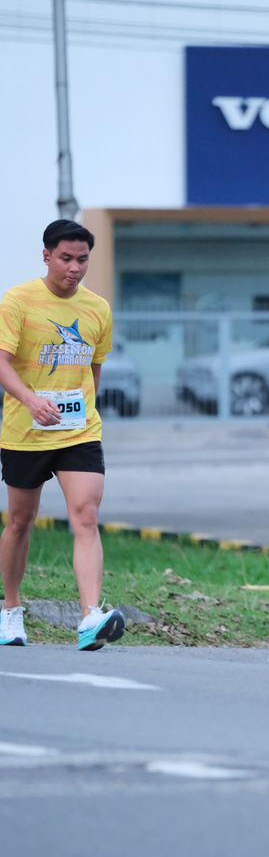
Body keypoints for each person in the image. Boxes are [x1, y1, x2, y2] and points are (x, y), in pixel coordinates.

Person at [0, 219, 125, 650]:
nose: (75, 268)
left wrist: (84, 411)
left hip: (79, 431)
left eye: (83, 259)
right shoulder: (18, 300)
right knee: (20, 522)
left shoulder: (98, 309)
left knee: (86, 516)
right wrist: (31, 400)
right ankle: (10, 610)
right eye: (66, 258)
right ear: (47, 256)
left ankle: (90, 616)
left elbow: (94, 368)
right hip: (24, 431)